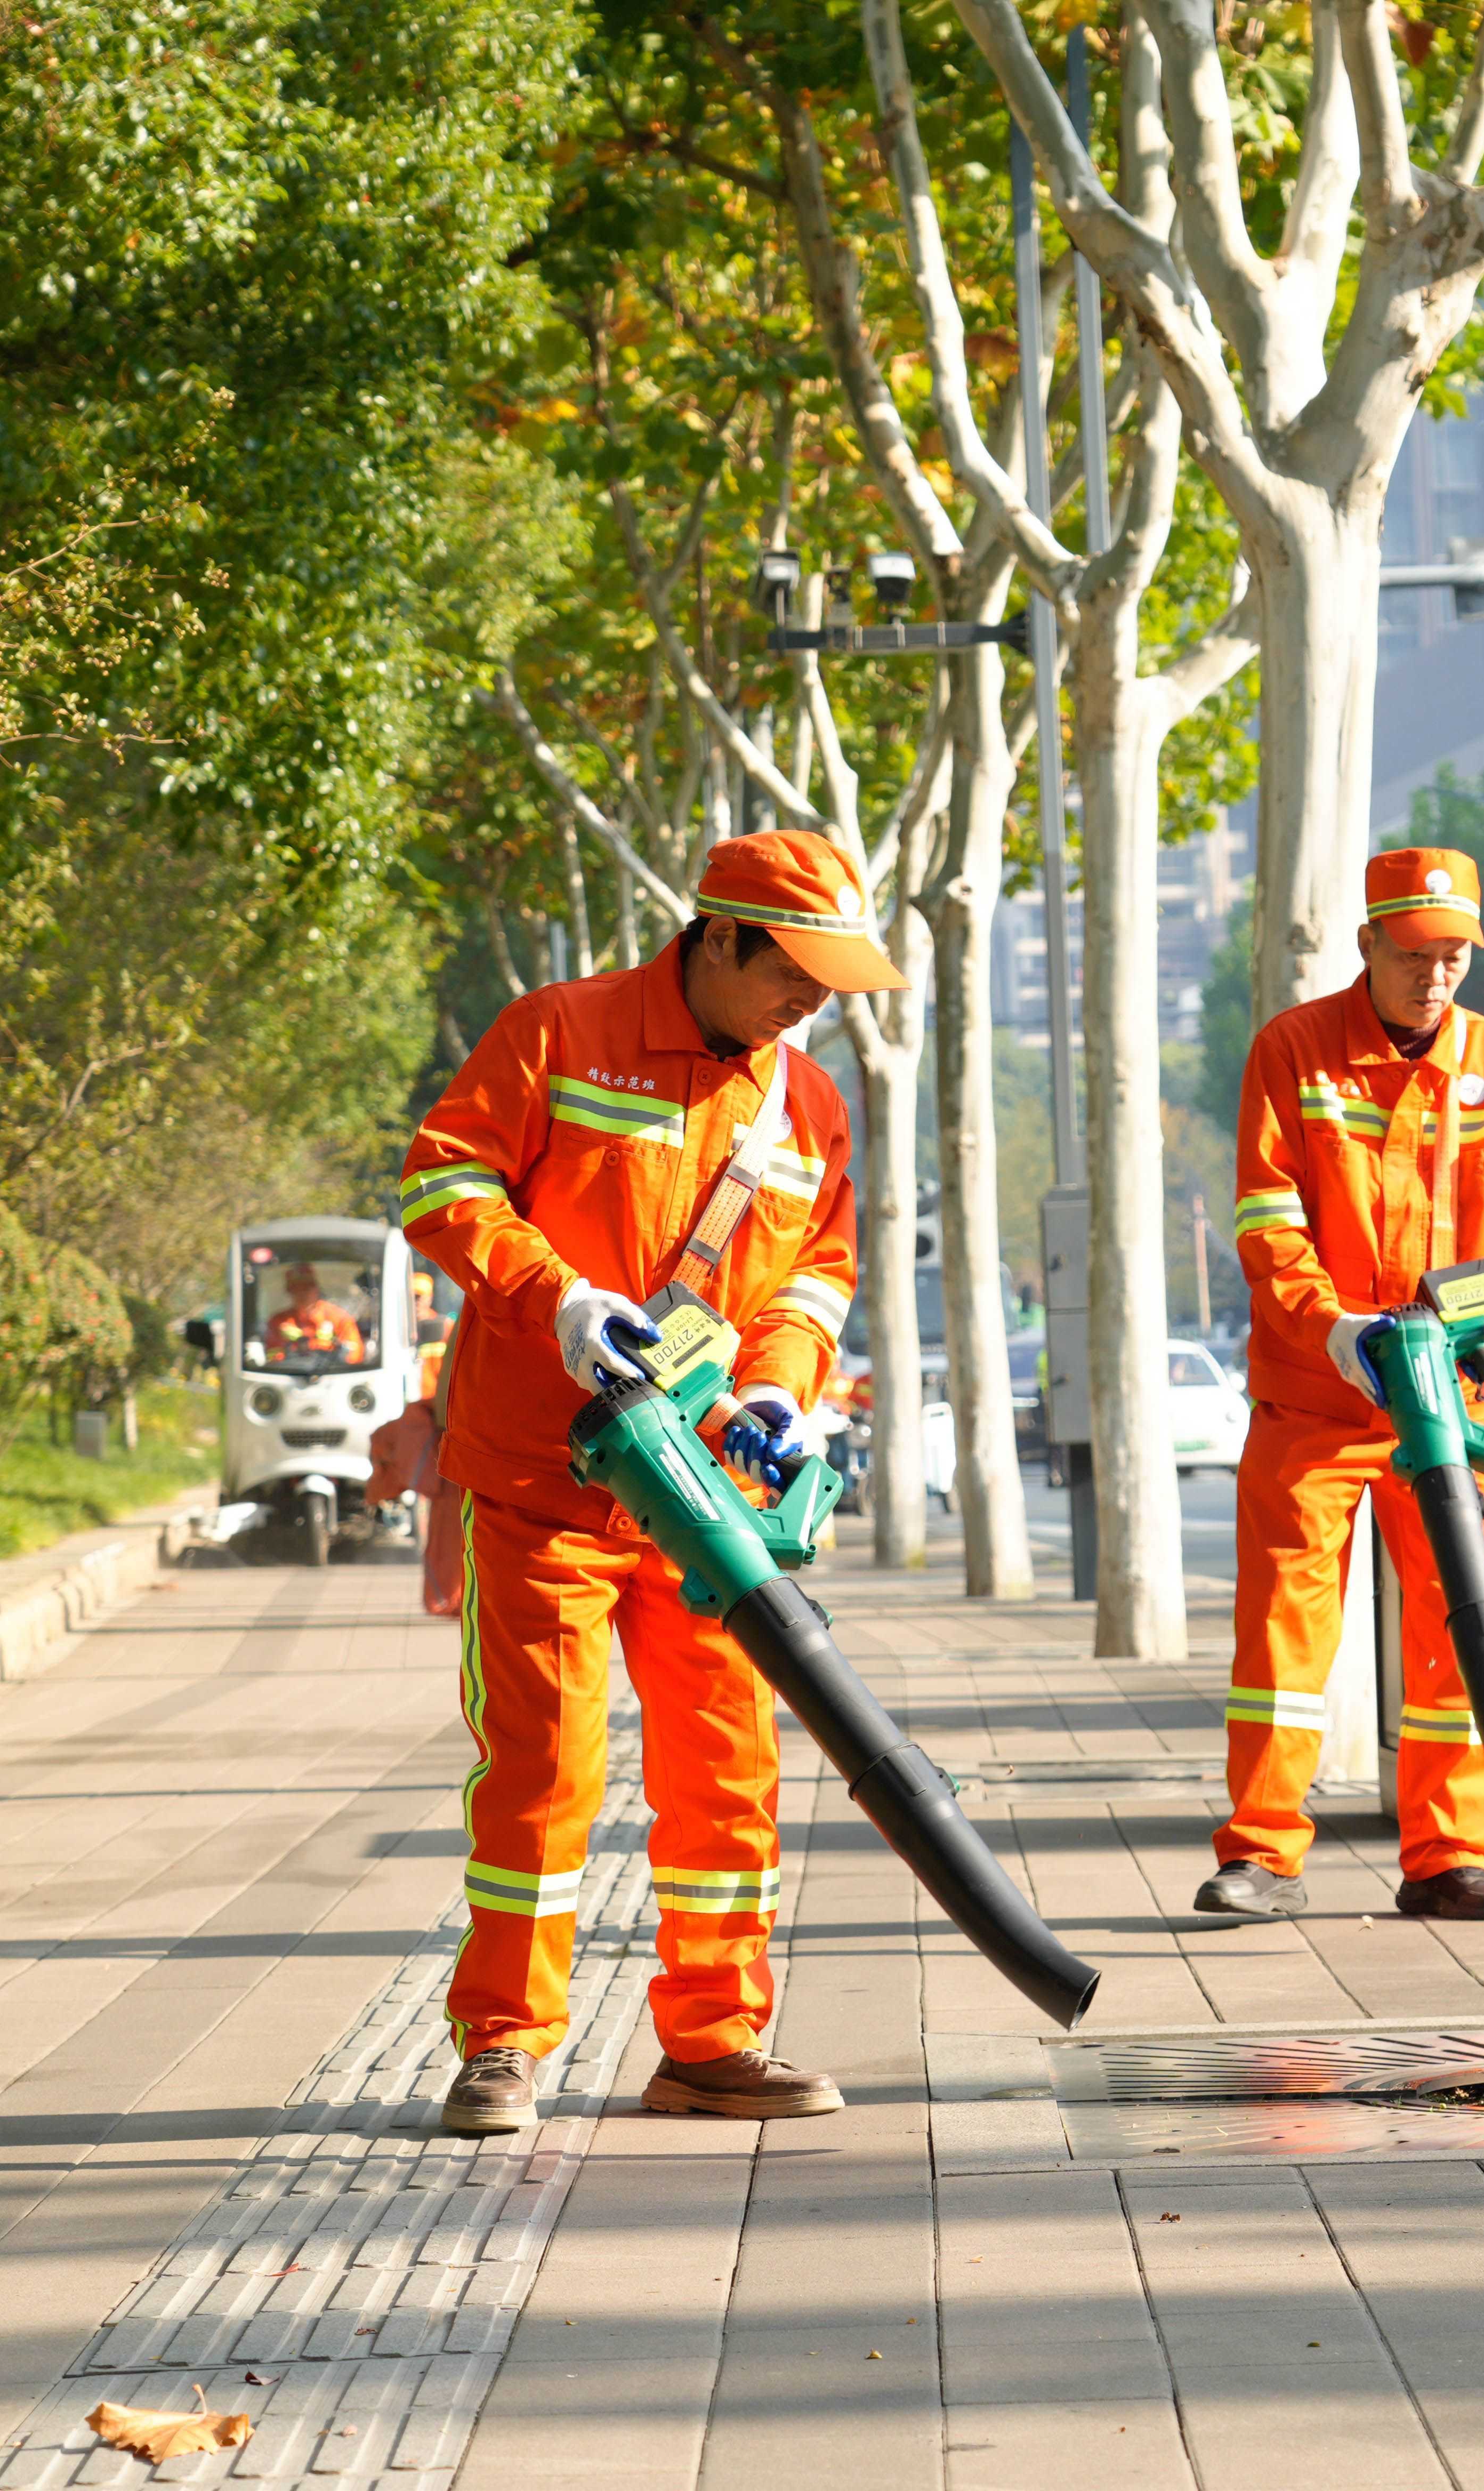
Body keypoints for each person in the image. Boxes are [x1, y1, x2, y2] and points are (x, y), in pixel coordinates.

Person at [393, 827, 899, 2138]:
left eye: (833, 981)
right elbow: (444, 1183)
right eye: (797, 970)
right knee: (544, 1768)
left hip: (707, 1501)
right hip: (540, 1483)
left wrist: (786, 1383)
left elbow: (815, 1276)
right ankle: (503, 2043)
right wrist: (556, 1301)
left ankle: (715, 2043)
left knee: (726, 1772)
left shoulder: (808, 1105)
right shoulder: (558, 1031)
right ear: (716, 936)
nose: (815, 1002)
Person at [1202, 847, 1484, 1923]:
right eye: (1416, 952)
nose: (1437, 974)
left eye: (1455, 953)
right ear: (1367, 942)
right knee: (1283, 1635)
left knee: (1463, 1624)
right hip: (1318, 1397)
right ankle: (1263, 1853)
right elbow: (1269, 1221)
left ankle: (1450, 1855)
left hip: (1459, 1405)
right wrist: (1336, 1330)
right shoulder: (1295, 1052)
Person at [262, 1259, 367, 1364]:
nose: (302, 1293)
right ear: (289, 1291)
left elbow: (355, 1355)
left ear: (316, 1288)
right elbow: (271, 1356)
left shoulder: (339, 1318)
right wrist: (290, 1353)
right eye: (296, 1288)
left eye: (307, 1287)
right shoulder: (278, 1322)